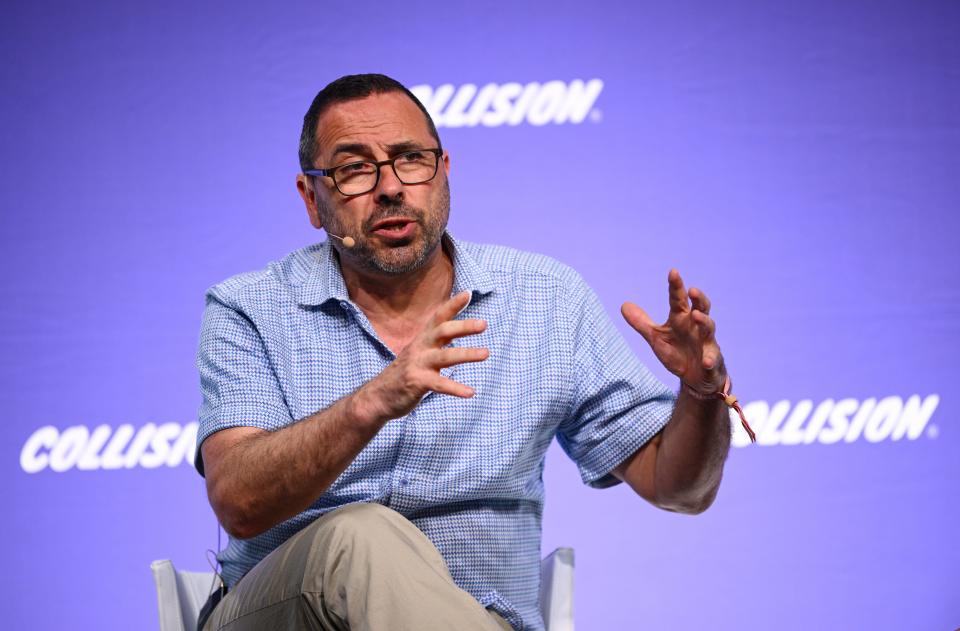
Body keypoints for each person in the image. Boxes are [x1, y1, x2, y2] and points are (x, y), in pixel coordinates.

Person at [195, 73, 734, 631]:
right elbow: (240, 502)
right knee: (360, 536)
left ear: (445, 171)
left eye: (410, 159)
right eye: (355, 169)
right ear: (312, 199)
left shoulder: (545, 299)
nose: (390, 187)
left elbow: (680, 490)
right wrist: (373, 401)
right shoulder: (250, 307)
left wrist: (700, 391)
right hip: (286, 618)